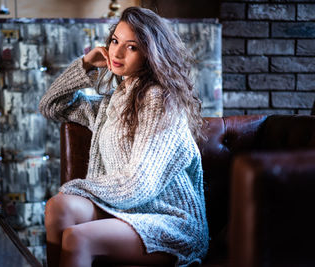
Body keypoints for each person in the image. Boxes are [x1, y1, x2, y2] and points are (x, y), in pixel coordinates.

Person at [39, 6, 209, 267]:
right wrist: (84, 65)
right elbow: (51, 106)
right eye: (115, 41)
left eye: (131, 47)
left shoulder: (159, 100)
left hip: (170, 221)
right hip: (126, 210)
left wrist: (77, 188)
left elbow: (138, 184)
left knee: (78, 238)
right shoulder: (112, 102)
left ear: (151, 54)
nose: (117, 53)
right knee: (57, 208)